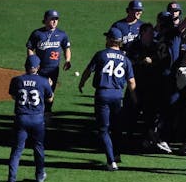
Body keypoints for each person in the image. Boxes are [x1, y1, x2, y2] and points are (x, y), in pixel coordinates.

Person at [78, 28, 137, 171]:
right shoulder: (126, 59)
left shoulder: (101, 55)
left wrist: (82, 82)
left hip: (102, 94)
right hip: (118, 95)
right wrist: (134, 98)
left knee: (103, 129)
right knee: (117, 128)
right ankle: (116, 154)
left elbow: (88, 71)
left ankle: (111, 161)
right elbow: (131, 82)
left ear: (110, 40)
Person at [6, 55, 53, 182]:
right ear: (38, 67)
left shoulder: (16, 80)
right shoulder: (43, 81)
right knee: (38, 147)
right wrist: (48, 85)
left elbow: (14, 96)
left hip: (21, 118)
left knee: (16, 150)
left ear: (25, 66)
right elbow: (50, 99)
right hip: (37, 119)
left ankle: (11, 181)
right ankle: (39, 175)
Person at [26, 10, 72, 98]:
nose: (55, 21)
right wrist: (32, 63)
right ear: (46, 20)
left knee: (50, 92)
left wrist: (68, 60)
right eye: (52, 19)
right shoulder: (37, 33)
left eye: (56, 19)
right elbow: (30, 48)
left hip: (53, 69)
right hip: (39, 69)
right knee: (36, 91)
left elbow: (66, 48)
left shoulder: (62, 34)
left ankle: (48, 111)